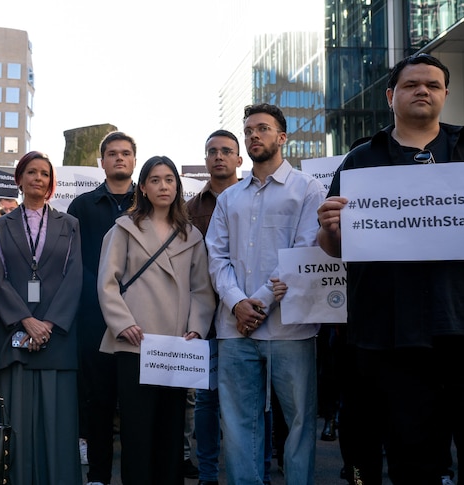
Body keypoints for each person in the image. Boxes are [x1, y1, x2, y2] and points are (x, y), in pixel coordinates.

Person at [317, 52, 464, 485]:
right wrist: (330, 228)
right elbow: (331, 248)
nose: (423, 90)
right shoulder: (361, 160)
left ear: (446, 95)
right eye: (411, 84)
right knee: (410, 453)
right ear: (390, 95)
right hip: (391, 333)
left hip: (459, 324)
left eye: (433, 85)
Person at [207, 103, 325, 485]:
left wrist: (255, 302)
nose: (254, 135)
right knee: (239, 426)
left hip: (291, 326)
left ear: (282, 137)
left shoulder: (308, 189)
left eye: (263, 128)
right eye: (249, 130)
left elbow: (304, 251)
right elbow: (216, 256)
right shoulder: (229, 198)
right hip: (234, 327)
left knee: (299, 423)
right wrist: (237, 303)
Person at [97, 155, 216, 485]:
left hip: (176, 345)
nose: (163, 186)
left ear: (177, 186)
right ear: (144, 188)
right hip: (137, 343)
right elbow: (107, 281)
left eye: (169, 179)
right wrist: (123, 323)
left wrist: (196, 327)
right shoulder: (124, 228)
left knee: (171, 430)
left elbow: (202, 289)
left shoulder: (191, 235)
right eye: (155, 180)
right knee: (137, 431)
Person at [0, 150, 82, 485]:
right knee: (18, 421)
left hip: (56, 336)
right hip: (14, 335)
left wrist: (49, 324)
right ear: (20, 179)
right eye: (31, 172)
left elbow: (74, 276)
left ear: (51, 182)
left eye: (44, 173)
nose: (38, 179)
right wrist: (24, 320)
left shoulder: (70, 225)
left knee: (58, 422)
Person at [66, 130, 137, 485]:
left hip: (143, 318)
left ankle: (136, 474)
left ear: (134, 160)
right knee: (98, 403)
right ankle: (97, 476)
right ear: (102, 161)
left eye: (126, 153)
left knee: (138, 404)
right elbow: (74, 262)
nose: (119, 158)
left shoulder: (150, 201)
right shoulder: (81, 206)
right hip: (94, 319)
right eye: (112, 153)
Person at [187, 129, 243, 485]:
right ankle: (208, 474)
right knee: (207, 402)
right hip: (208, 316)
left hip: (250, 312)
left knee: (253, 401)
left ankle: (259, 470)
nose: (219, 156)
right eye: (212, 151)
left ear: (239, 159)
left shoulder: (255, 197)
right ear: (206, 160)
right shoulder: (190, 208)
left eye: (226, 151)